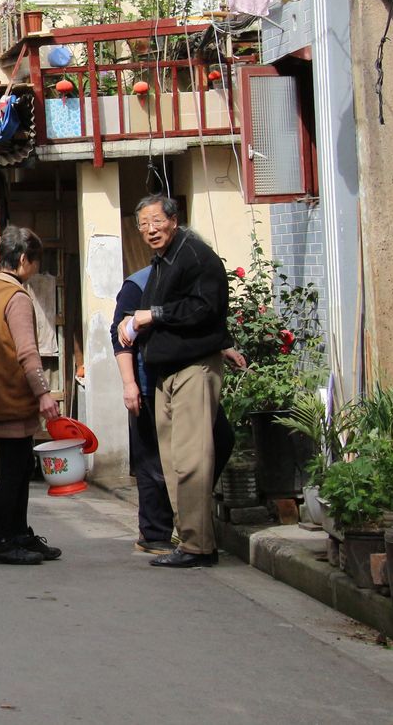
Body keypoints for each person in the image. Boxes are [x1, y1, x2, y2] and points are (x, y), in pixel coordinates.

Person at [118, 194, 234, 569]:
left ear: (173, 220)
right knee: (173, 463)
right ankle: (190, 540)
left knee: (191, 460)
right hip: (167, 373)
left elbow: (204, 308)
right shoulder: (163, 260)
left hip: (193, 369)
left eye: (156, 221)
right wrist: (132, 321)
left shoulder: (196, 255)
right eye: (143, 224)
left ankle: (198, 546)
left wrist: (152, 315)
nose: (150, 230)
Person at [0, 227, 63, 566]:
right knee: (13, 471)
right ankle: (0, 541)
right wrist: (44, 393)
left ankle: (19, 533)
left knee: (20, 467)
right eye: (35, 263)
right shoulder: (17, 297)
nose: (36, 269)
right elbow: (27, 353)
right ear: (24, 259)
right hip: (11, 397)